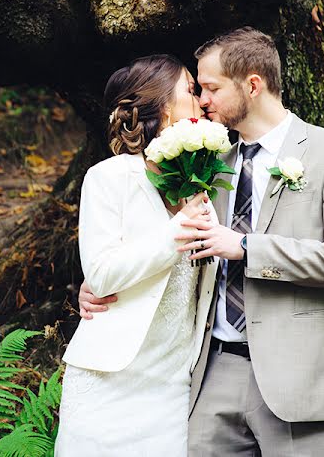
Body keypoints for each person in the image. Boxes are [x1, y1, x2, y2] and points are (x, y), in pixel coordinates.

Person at [79, 27, 324, 456]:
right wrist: (102, 284)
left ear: (252, 85)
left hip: (299, 375)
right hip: (211, 373)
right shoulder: (205, 161)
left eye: (212, 88)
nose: (202, 100)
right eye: (197, 90)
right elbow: (163, 242)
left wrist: (247, 248)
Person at [55, 54, 218, 456]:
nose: (201, 102)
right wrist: (174, 234)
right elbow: (102, 274)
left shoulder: (207, 182)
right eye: (191, 91)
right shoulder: (108, 178)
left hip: (173, 383)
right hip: (109, 378)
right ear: (164, 107)